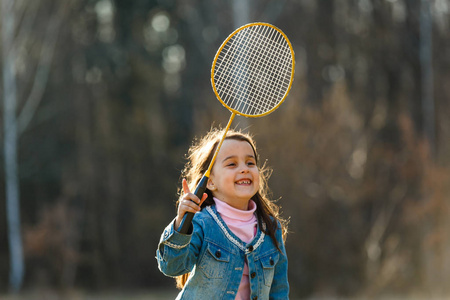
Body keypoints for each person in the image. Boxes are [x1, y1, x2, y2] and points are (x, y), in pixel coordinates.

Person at [156, 128, 289, 299]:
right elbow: (172, 267)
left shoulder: (271, 228)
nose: (244, 169)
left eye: (250, 163)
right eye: (232, 164)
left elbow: (279, 291)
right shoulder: (201, 222)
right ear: (210, 182)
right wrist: (181, 225)